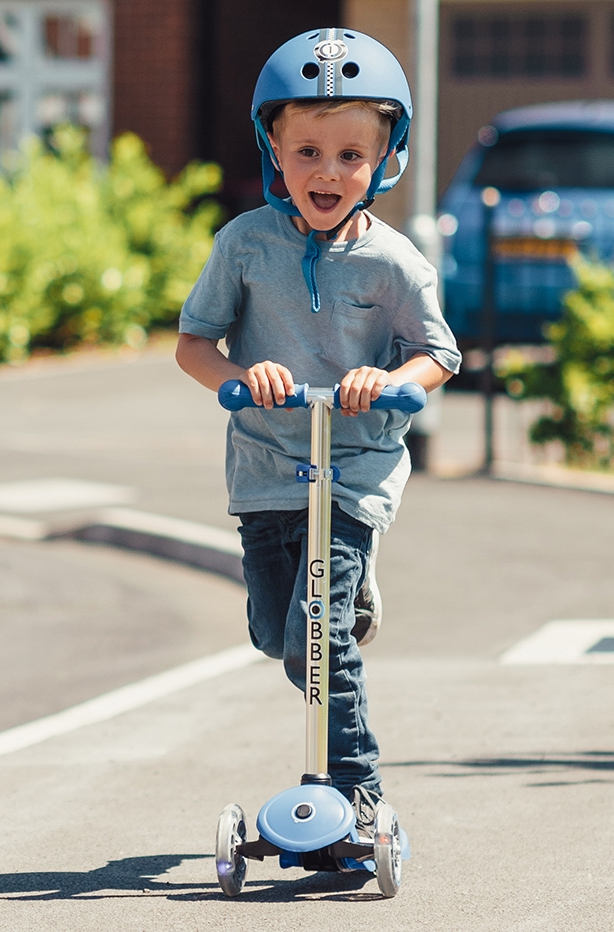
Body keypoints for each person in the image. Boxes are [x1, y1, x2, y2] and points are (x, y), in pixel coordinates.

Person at [175, 28, 460, 843]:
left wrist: (391, 384)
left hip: (355, 468)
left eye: (349, 156)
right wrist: (238, 377)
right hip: (266, 465)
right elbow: (194, 344)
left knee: (318, 629)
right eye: (306, 151)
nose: (327, 173)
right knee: (278, 632)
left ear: (384, 159)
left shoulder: (394, 263)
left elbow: (439, 355)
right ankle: (347, 605)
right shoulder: (244, 246)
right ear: (273, 146)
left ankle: (357, 791)